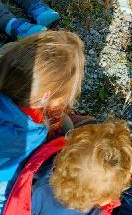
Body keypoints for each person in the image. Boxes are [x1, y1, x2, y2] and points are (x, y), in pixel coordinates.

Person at [0, 31, 84, 212]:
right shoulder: (34, 134)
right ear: (47, 96)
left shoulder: (6, 65)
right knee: (67, 128)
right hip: (6, 197)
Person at [3, 120, 132, 215]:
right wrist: (131, 183)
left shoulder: (39, 191)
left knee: (68, 124)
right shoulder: (97, 208)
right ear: (102, 200)